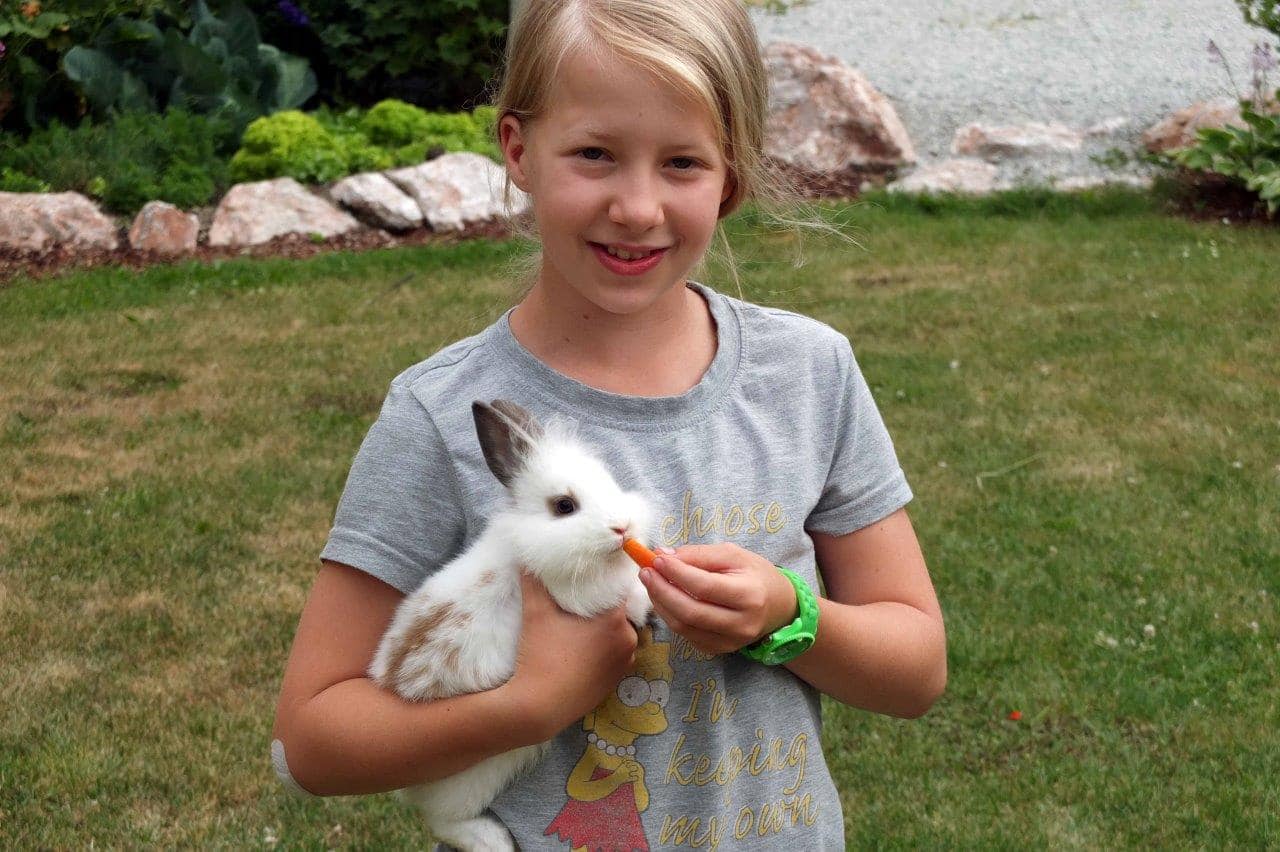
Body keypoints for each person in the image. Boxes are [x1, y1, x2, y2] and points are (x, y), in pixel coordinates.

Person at [271, 0, 947, 847]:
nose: (637, 206)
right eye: (595, 154)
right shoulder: (439, 415)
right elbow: (312, 741)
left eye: (682, 162)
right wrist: (530, 704)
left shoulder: (807, 374)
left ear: (732, 175)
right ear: (519, 149)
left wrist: (788, 613)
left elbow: (916, 670)